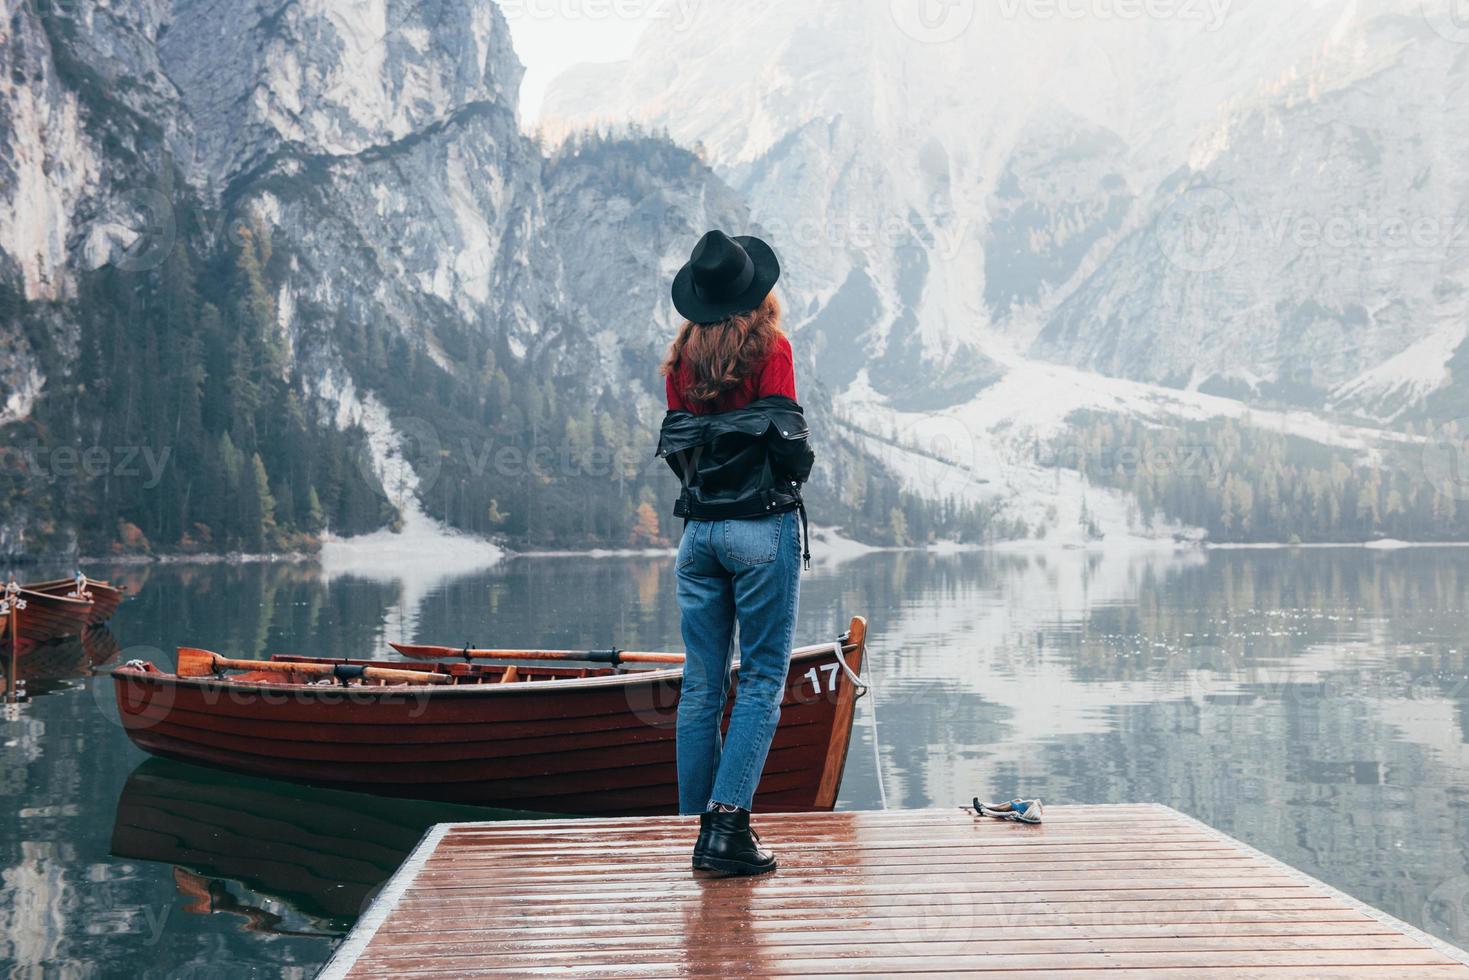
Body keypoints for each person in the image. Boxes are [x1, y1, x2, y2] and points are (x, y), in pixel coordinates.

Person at [657, 230, 814, 876]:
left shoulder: (677, 367)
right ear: (755, 294)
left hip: (697, 538)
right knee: (760, 680)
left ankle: (697, 829)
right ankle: (725, 833)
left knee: (700, 685)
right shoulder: (771, 350)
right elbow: (788, 445)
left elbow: (684, 455)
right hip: (758, 530)